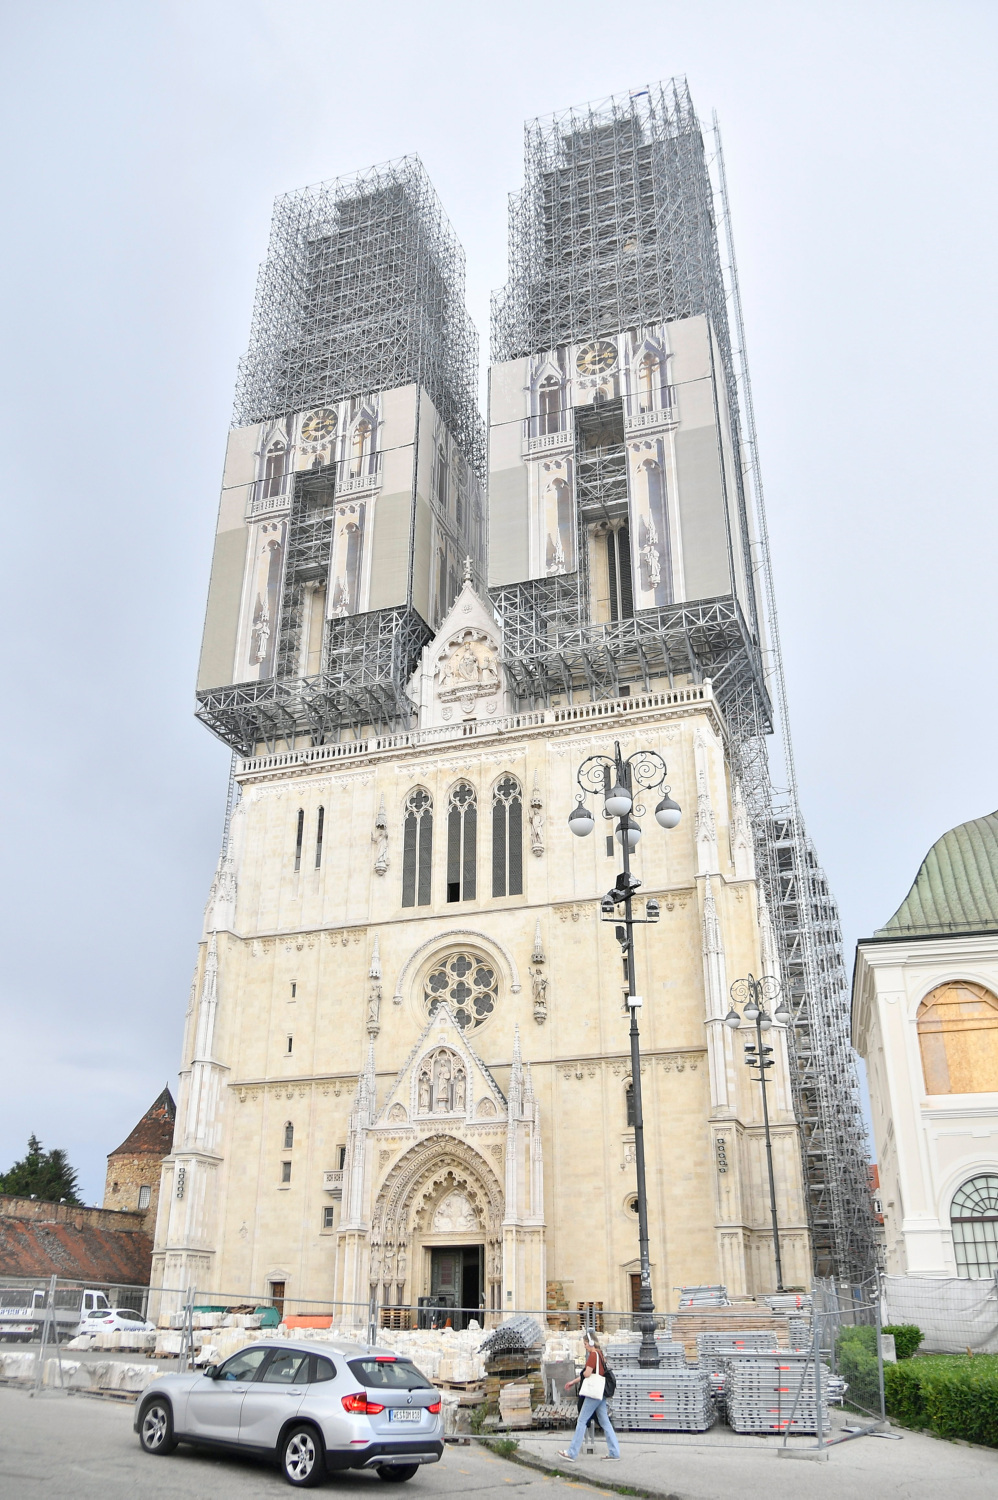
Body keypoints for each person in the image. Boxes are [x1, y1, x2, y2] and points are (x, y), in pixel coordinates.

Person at [558, 1330, 620, 1462]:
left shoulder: (593, 1355)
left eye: (585, 1344)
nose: (585, 1346)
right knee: (605, 1422)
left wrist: (582, 1373)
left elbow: (587, 1374)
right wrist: (573, 1382)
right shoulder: (600, 1354)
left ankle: (572, 1453)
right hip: (600, 1392)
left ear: (590, 1343)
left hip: (593, 1393)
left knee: (581, 1421)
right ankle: (614, 1452)